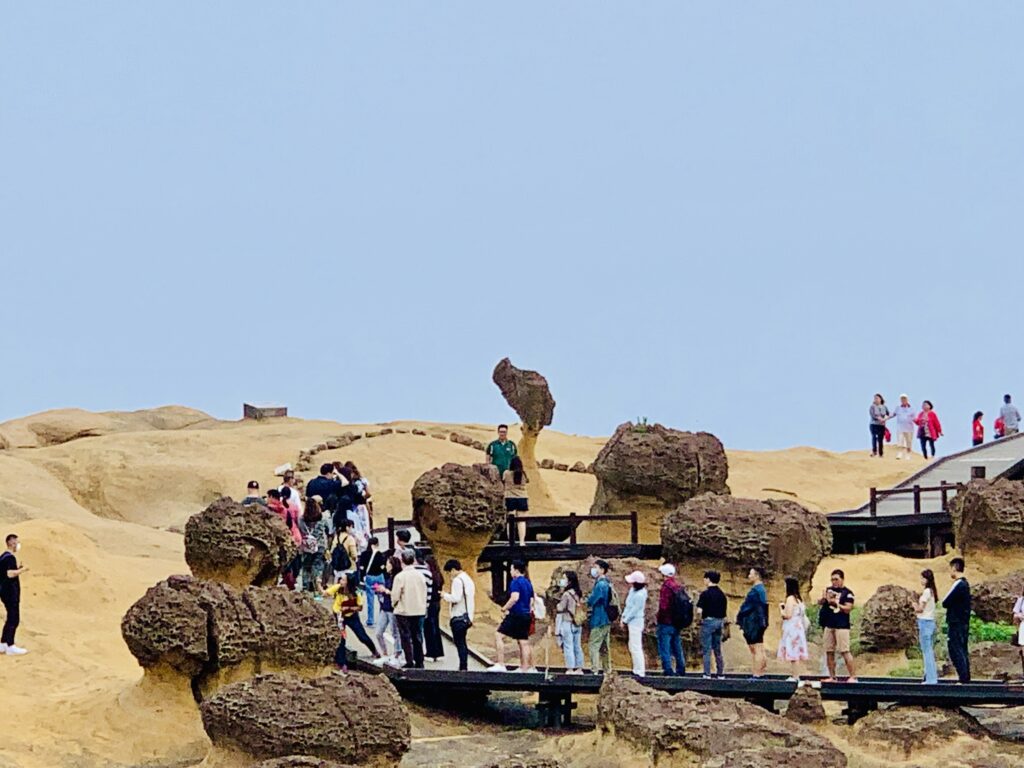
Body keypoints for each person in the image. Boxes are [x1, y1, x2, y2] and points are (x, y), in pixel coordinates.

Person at [488, 560, 535, 672]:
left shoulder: (515, 582)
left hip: (516, 614)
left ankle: (501, 664)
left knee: (498, 635)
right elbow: (531, 601)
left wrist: (505, 608)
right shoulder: (528, 583)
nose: (510, 572)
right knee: (523, 641)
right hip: (526, 614)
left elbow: (515, 597)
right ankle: (525, 667)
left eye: (511, 569)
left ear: (516, 570)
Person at [324, 572, 380, 664]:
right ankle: (341, 661)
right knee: (341, 638)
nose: (340, 581)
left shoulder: (356, 593)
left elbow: (360, 607)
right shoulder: (338, 588)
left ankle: (374, 651)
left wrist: (349, 608)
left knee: (361, 636)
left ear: (348, 583)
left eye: (343, 580)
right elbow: (325, 593)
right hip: (339, 615)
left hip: (352, 616)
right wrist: (318, 584)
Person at [391, 549, 427, 669]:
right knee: (418, 636)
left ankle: (409, 660)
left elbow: (395, 595)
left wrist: (394, 604)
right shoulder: (420, 575)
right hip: (419, 610)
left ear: (402, 560)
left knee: (405, 637)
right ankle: (420, 661)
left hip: (404, 610)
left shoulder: (400, 577)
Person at [820, 569, 857, 682]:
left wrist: (837, 604)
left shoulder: (848, 593)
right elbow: (821, 603)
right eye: (832, 580)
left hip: (842, 625)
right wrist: (824, 599)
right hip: (829, 624)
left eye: (836, 579)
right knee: (829, 651)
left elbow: (848, 608)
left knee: (844, 651)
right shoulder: (828, 590)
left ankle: (853, 676)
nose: (834, 582)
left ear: (842, 579)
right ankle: (832, 676)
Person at [442, 559, 476, 671]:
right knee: (462, 642)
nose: (448, 575)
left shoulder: (457, 580)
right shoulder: (468, 579)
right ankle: (463, 664)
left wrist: (445, 595)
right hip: (468, 615)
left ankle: (463, 666)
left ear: (453, 570)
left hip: (459, 615)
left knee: (459, 642)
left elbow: (456, 598)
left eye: (448, 572)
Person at [942, 557, 971, 683]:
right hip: (962, 621)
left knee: (956, 648)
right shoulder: (965, 584)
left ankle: (963, 677)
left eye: (951, 569)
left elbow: (945, 601)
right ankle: (965, 676)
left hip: (956, 621)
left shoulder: (959, 584)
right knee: (962, 648)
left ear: (954, 568)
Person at [737, 566, 769, 678]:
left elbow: (748, 607)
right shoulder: (762, 590)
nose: (749, 576)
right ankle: (761, 672)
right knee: (760, 647)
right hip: (760, 621)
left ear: (756, 576)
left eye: (751, 574)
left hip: (754, 622)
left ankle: (757, 674)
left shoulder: (756, 591)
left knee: (756, 648)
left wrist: (740, 617)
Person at [655, 563, 687, 676]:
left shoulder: (666, 587)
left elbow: (664, 606)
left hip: (666, 622)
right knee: (677, 646)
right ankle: (681, 668)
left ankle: (668, 670)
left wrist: (659, 618)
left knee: (665, 647)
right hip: (677, 622)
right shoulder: (677, 586)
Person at [373, 556, 404, 667]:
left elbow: (396, 593)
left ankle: (397, 654)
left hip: (393, 608)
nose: (386, 566)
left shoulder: (398, 578)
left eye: (388, 564)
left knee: (395, 632)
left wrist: (385, 590)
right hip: (384, 607)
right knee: (378, 632)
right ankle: (385, 653)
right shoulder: (388, 576)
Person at [777, 576, 809, 681]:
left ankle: (795, 677)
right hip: (798, 628)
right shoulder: (799, 600)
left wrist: (781, 609)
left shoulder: (790, 599)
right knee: (796, 653)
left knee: (793, 652)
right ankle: (795, 675)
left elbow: (788, 615)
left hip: (792, 629)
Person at [696, 569, 727, 678]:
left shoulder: (705, 594)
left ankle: (707, 673)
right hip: (719, 622)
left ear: (708, 579)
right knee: (717, 649)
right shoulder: (722, 595)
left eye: (705, 578)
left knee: (707, 649)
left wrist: (698, 621)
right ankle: (720, 673)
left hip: (708, 622)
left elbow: (699, 610)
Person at [0, 534, 28, 655]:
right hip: (10, 592)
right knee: (14, 618)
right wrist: (22, 570)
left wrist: (18, 569)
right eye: (16, 542)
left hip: (4, 591)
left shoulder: (3, 557)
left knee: (10, 617)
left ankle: (3, 644)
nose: (18, 544)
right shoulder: (10, 557)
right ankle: (10, 645)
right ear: (11, 543)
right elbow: (10, 574)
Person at [587, 559, 615, 674]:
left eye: (596, 567)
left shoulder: (600, 585)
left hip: (599, 618)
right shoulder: (608, 583)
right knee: (605, 646)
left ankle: (594, 669)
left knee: (594, 644)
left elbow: (592, 600)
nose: (593, 570)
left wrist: (586, 600)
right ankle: (607, 669)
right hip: (607, 619)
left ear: (602, 570)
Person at [553, 570, 584, 674]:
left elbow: (561, 607)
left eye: (564, 578)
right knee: (577, 646)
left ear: (569, 581)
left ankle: (570, 668)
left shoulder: (566, 594)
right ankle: (579, 668)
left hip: (567, 622)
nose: (562, 580)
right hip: (577, 622)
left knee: (568, 646)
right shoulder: (578, 593)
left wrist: (557, 604)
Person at [620, 570, 649, 676]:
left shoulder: (641, 594)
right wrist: (623, 617)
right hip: (631, 620)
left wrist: (625, 620)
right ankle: (636, 669)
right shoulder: (633, 591)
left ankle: (640, 671)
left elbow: (634, 610)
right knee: (632, 645)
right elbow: (628, 605)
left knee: (636, 646)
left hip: (636, 622)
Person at [913, 568, 939, 684]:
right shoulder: (932, 591)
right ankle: (930, 676)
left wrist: (913, 605)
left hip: (924, 622)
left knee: (926, 651)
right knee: (929, 650)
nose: (921, 580)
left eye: (923, 578)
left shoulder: (927, 592)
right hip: (930, 622)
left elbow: (920, 609)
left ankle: (931, 678)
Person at [299, 497, 330, 594]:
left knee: (306, 566)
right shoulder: (322, 518)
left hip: (307, 546)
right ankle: (317, 587)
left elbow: (301, 530)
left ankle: (305, 587)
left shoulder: (302, 519)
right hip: (320, 545)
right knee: (318, 566)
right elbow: (328, 530)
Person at [358, 537, 387, 626]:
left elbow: (361, 567)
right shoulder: (380, 555)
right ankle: (382, 619)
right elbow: (383, 568)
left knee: (370, 600)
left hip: (369, 577)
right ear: (376, 544)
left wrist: (362, 577)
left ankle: (370, 620)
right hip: (379, 577)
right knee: (381, 599)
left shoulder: (363, 554)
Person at [423, 556, 445, 662]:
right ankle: (439, 652)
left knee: (428, 628)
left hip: (430, 603)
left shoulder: (429, 577)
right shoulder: (439, 576)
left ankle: (430, 652)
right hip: (437, 603)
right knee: (435, 627)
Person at [503, 456, 530, 543]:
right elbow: (527, 481)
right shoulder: (523, 474)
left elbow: (503, 481)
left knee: (510, 521)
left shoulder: (506, 473)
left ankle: (510, 541)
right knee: (521, 521)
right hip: (522, 498)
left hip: (510, 498)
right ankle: (522, 542)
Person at [331, 519, 359, 583]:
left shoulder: (336, 537)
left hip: (338, 568)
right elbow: (354, 554)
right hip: (349, 567)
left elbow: (332, 550)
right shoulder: (350, 538)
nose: (352, 529)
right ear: (347, 527)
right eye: (351, 527)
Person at [892, 394, 917, 460]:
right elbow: (893, 414)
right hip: (900, 428)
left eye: (904, 399)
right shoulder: (898, 408)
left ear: (907, 400)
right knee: (900, 441)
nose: (903, 400)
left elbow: (915, 419)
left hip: (909, 428)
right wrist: (885, 419)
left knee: (909, 442)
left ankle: (908, 455)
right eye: (902, 399)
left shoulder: (911, 409)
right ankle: (899, 454)